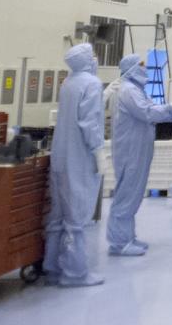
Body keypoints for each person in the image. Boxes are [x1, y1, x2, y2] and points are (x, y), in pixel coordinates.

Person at [107, 54, 172, 256]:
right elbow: (147, 113)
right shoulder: (128, 90)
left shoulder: (136, 90)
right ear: (132, 68)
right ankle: (119, 242)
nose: (145, 68)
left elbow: (152, 109)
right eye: (141, 65)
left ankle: (127, 237)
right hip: (130, 150)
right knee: (127, 194)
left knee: (133, 193)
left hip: (137, 149)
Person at [44, 43, 106, 287]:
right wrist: (98, 150)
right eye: (93, 55)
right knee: (76, 216)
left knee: (58, 214)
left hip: (60, 155)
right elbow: (89, 122)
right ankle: (75, 272)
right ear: (87, 60)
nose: (95, 59)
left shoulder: (68, 82)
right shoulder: (91, 84)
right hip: (79, 156)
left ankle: (52, 267)